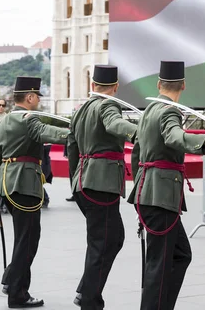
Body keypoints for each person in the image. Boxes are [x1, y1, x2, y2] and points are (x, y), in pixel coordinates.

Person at [127, 61, 205, 310]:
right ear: (183, 85)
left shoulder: (149, 110)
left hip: (150, 191)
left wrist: (141, 186)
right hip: (161, 195)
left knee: (179, 255)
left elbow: (137, 154)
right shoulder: (169, 111)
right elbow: (173, 136)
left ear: (158, 84)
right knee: (160, 262)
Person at [0, 76, 69, 308]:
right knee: (28, 240)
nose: (38, 101)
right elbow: (49, 133)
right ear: (30, 97)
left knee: (23, 238)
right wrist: (75, 133)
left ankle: (11, 279)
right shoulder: (28, 119)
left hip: (6, 182)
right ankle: (18, 293)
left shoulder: (3, 121)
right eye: (38, 96)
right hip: (24, 183)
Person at [67, 65, 138, 309]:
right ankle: (89, 299)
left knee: (111, 238)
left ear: (92, 85)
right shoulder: (108, 104)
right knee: (104, 241)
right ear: (115, 87)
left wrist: (75, 181)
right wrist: (140, 133)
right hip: (100, 183)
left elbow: (71, 147)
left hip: (84, 182)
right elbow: (115, 124)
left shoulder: (80, 109)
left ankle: (85, 289)